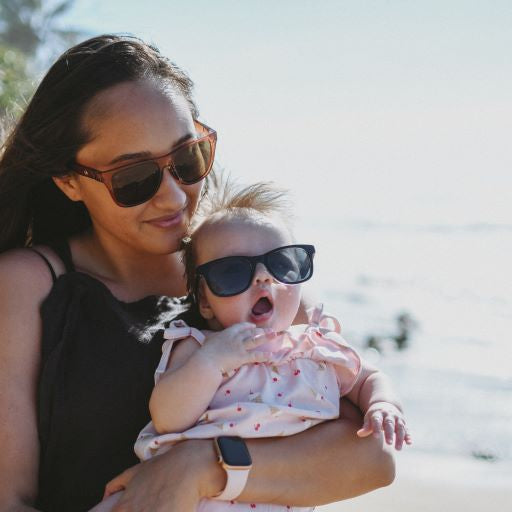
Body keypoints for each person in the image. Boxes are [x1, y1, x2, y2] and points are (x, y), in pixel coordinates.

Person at [0, 35, 396, 512]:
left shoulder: (252, 279)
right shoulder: (28, 286)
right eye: (133, 178)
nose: (173, 196)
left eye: (188, 160)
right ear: (68, 182)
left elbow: (372, 457)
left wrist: (199, 469)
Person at [91, 182, 410, 511]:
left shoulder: (315, 346)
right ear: (204, 301)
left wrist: (383, 405)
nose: (263, 278)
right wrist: (213, 363)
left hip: (276, 490)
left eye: (282, 264)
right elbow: (169, 418)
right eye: (232, 272)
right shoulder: (201, 347)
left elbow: (369, 378)